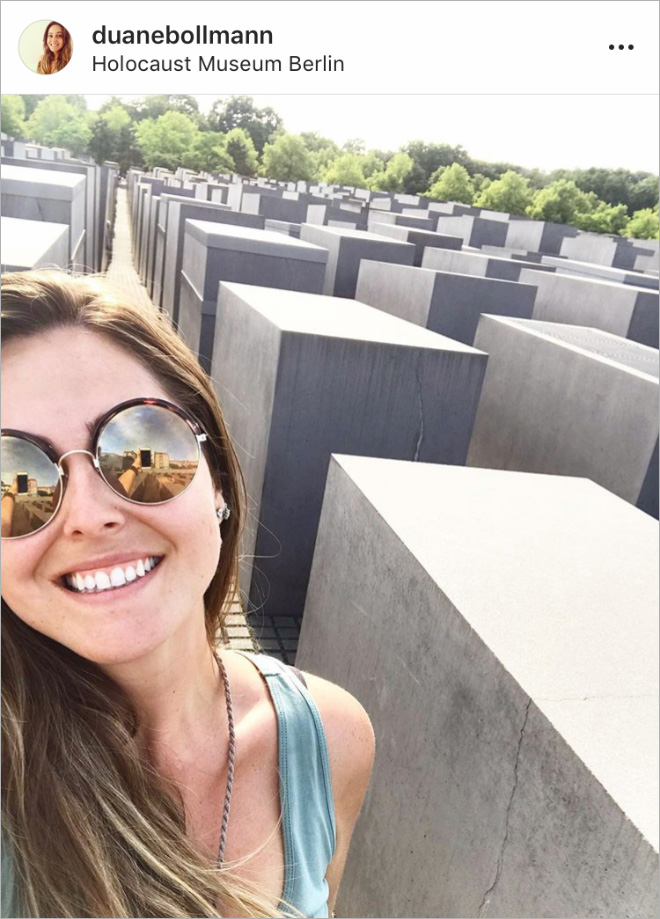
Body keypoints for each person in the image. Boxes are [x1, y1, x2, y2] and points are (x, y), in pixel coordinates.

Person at [1, 270, 375, 918]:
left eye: (142, 447)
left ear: (219, 480)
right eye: (14, 479)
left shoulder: (331, 737)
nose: (88, 515)